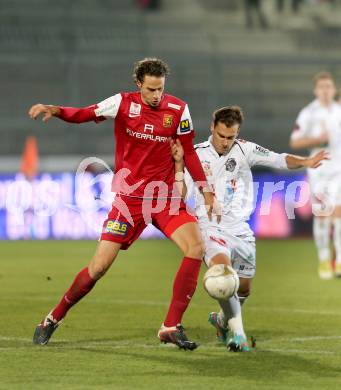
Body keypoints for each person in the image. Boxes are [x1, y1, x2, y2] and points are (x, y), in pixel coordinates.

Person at [28, 58, 219, 350]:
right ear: (139, 84)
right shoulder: (121, 103)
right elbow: (85, 113)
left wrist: (205, 190)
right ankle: (52, 319)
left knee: (195, 247)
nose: (156, 95)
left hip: (164, 196)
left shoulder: (179, 109)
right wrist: (56, 110)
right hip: (129, 201)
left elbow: (189, 153)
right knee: (99, 267)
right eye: (151, 89)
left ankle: (170, 326)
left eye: (161, 89)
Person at [171, 106, 327, 351]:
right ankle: (238, 335)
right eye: (221, 135)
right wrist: (179, 166)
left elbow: (279, 159)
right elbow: (181, 194)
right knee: (223, 274)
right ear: (212, 127)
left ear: (237, 133)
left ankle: (222, 321)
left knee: (243, 289)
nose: (224, 142)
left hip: (241, 230)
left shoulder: (245, 149)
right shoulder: (197, 154)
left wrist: (306, 161)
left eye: (230, 137)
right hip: (210, 227)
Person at [290, 71, 341, 279]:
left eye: (329, 87)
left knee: (338, 213)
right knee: (322, 214)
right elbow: (295, 142)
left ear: (334, 89)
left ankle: (338, 262)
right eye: (322, 87)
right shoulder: (308, 113)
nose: (326, 91)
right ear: (316, 91)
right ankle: (323, 258)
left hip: (339, 168)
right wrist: (317, 140)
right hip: (319, 168)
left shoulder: (339, 111)